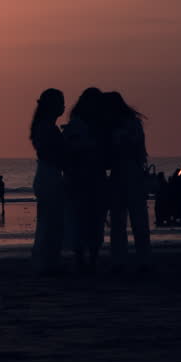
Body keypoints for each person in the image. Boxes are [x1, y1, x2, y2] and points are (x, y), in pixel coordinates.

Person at [103, 92, 151, 272]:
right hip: (132, 172)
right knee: (136, 219)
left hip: (123, 173)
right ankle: (142, 258)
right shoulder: (133, 124)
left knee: (119, 220)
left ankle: (120, 259)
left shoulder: (118, 127)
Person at [62, 87, 106, 273]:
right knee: (89, 218)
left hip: (85, 176)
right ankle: (87, 257)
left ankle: (85, 257)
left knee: (86, 218)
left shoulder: (80, 124)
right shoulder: (87, 125)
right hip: (86, 176)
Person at [30, 88, 66, 275]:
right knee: (51, 222)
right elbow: (53, 154)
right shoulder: (46, 127)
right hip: (49, 174)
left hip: (46, 174)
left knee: (48, 221)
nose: (64, 106)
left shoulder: (42, 126)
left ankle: (46, 261)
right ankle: (47, 262)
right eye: (61, 102)